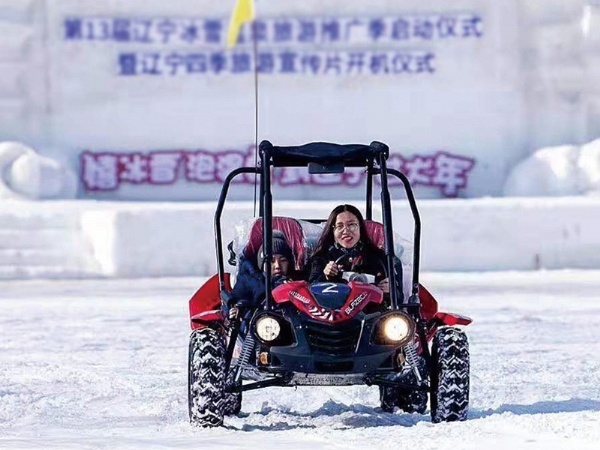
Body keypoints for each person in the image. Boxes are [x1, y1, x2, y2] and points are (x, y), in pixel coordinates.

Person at [307, 204, 390, 294]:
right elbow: (310, 290)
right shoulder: (321, 257)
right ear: (333, 230)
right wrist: (326, 276)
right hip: (332, 306)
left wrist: (390, 290)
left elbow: (399, 297)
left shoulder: (378, 257)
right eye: (340, 226)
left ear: (360, 227)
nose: (346, 231)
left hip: (369, 306)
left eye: (351, 225)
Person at [227, 230, 297, 317]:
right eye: (271, 261)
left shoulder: (297, 281)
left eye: (283, 260)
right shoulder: (249, 281)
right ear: (262, 264)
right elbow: (235, 300)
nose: (277, 266)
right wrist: (239, 308)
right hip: (260, 325)